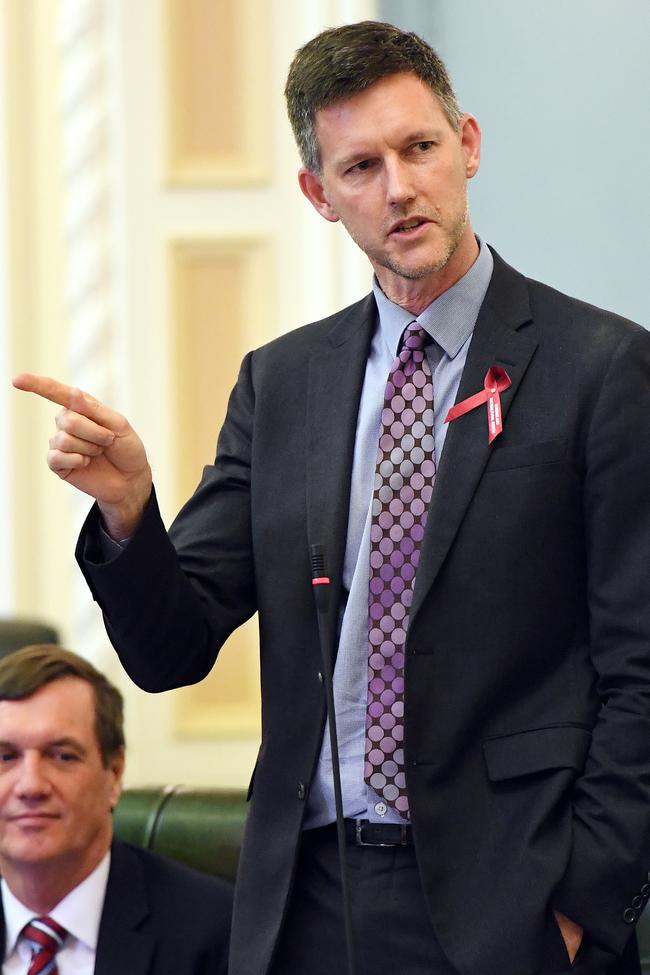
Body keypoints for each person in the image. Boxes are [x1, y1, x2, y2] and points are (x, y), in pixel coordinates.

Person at [12, 19, 650, 975]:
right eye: (360, 166)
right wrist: (129, 513)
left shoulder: (600, 367)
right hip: (307, 896)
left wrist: (580, 905)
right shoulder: (284, 384)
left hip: (509, 897)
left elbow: (642, 668)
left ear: (466, 144)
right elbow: (170, 650)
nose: (399, 188)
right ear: (319, 194)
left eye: (419, 148)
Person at [0, 644, 232, 974]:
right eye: (5, 757)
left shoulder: (217, 932)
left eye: (62, 755)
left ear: (115, 773)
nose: (31, 786)